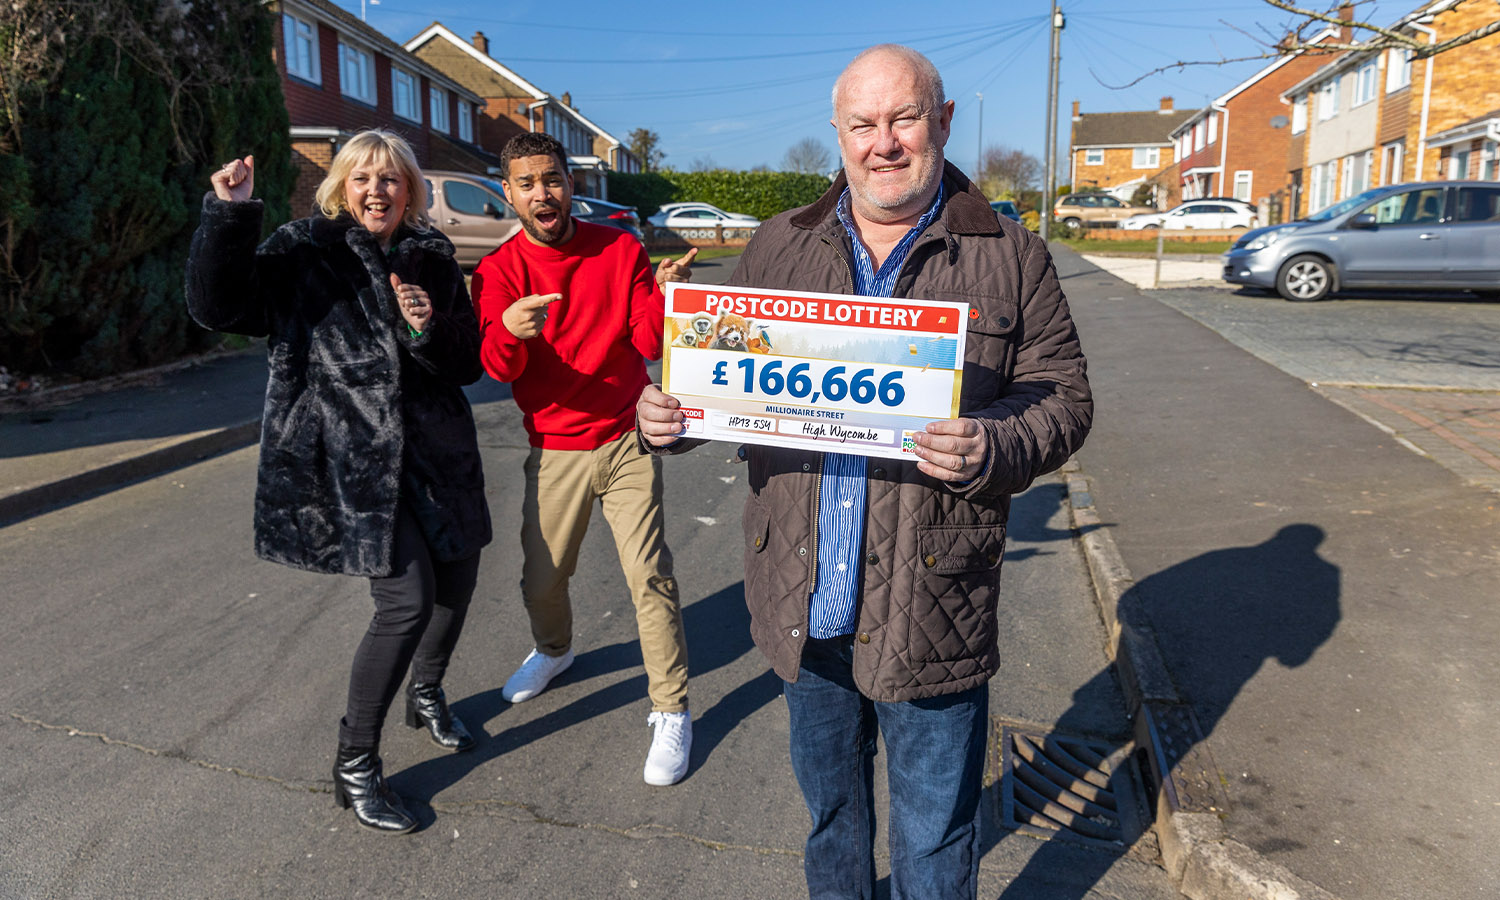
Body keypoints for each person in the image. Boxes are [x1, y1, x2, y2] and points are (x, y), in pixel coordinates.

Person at [637, 45, 1092, 897]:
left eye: (904, 119)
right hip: (802, 608)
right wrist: (667, 416)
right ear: (839, 135)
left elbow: (1064, 401)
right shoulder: (779, 245)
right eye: (863, 124)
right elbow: (715, 382)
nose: (884, 143)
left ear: (943, 121)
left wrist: (994, 443)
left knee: (935, 844)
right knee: (831, 823)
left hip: (930, 610)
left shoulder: (1011, 255)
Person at [185, 130, 492, 835]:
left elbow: (467, 363)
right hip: (353, 460)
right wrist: (229, 213)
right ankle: (356, 764)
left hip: (437, 454)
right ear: (341, 187)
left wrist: (427, 329)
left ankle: (429, 693)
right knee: (405, 602)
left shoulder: (432, 256)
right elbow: (221, 307)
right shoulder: (304, 250)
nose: (377, 191)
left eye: (391, 180)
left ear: (409, 190)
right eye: (363, 179)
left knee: (458, 580)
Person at [471, 132, 699, 787]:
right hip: (555, 448)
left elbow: (647, 340)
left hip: (626, 438)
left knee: (648, 576)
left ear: (570, 183)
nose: (543, 193)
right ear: (509, 193)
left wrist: (665, 295)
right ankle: (554, 651)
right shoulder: (498, 272)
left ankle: (672, 708)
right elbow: (495, 365)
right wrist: (511, 332)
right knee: (541, 581)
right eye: (527, 183)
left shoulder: (618, 247)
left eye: (552, 179)